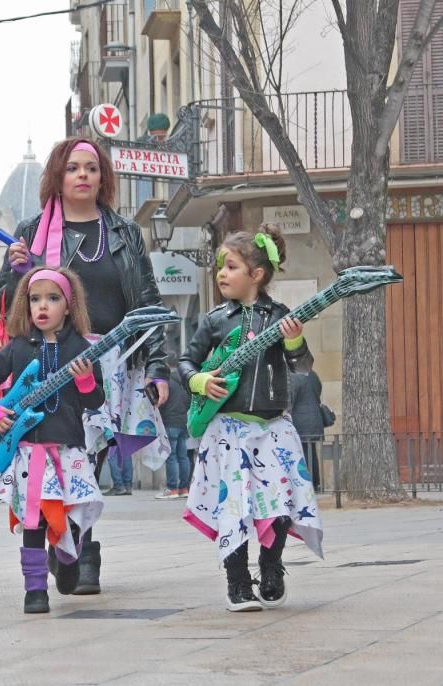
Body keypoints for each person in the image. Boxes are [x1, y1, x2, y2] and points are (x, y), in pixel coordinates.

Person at [0, 137, 170, 595]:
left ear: (102, 177)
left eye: (92, 168)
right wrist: (16, 275)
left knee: (88, 460)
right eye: (73, 168)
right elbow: (5, 304)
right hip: (54, 359)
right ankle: (68, 546)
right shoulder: (32, 231)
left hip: (112, 360)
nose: (83, 175)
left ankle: (77, 546)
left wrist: (158, 368)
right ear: (59, 175)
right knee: (62, 451)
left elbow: (147, 300)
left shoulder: (124, 232)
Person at [179, 224, 323, 612]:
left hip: (273, 427)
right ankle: (237, 583)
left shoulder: (280, 316)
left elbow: (303, 366)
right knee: (234, 506)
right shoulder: (213, 320)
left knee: (275, 503)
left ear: (256, 275)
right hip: (226, 429)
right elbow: (186, 361)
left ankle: (272, 567)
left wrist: (293, 340)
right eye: (221, 267)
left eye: (231, 267)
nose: (221, 274)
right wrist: (198, 380)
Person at [0, 267, 104, 613]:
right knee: (33, 520)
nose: (42, 306)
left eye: (52, 298)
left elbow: (95, 403)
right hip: (30, 449)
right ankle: (35, 590)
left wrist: (87, 381)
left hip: (70, 449)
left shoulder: (82, 348)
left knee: (74, 514)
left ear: (69, 304)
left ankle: (68, 558)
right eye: (35, 299)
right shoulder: (18, 346)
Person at [155, 362, 191, 500]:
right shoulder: (186, 381)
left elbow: (160, 402)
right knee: (183, 456)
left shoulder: (165, 382)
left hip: (169, 422)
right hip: (183, 422)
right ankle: (184, 488)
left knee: (171, 456)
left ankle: (172, 489)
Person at [289, 370, 325, 491]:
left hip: (300, 422)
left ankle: (306, 485)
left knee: (302, 454)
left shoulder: (293, 375)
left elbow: (290, 399)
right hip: (314, 420)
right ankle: (315, 483)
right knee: (311, 453)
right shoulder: (312, 374)